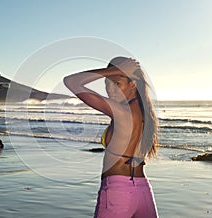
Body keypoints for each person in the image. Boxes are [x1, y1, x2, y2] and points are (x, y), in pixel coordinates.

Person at [64, 56, 159, 218]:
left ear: (132, 84)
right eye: (107, 84)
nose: (110, 90)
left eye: (116, 84)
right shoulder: (146, 114)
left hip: (118, 193)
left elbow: (71, 81)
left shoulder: (121, 112)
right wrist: (116, 73)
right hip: (143, 191)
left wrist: (112, 71)